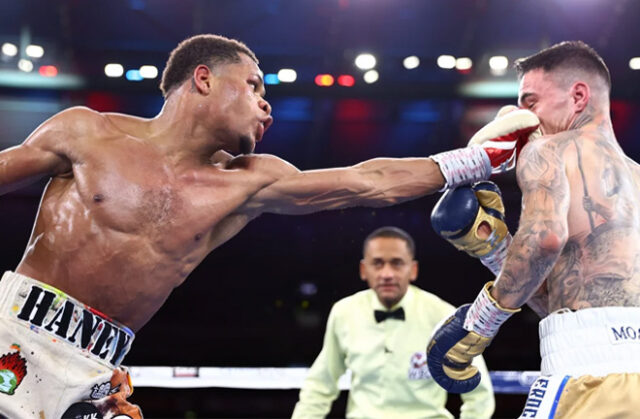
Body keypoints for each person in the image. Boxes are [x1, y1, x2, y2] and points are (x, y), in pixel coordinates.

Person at [0, 34, 536, 418]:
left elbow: (364, 181)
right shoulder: (86, 132)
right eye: (254, 85)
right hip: (13, 336)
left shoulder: (246, 183)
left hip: (98, 368)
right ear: (203, 79)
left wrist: (478, 159)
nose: (267, 103)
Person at [426, 40, 640, 418]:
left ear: (577, 96)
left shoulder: (548, 151)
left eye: (530, 102)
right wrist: (494, 247)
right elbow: (573, 299)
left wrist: (479, 324)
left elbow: (545, 239)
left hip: (586, 373)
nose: (523, 117)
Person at [291, 226, 494, 419]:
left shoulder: (442, 315)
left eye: (397, 263)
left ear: (413, 269)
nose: (387, 274)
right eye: (378, 263)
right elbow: (320, 385)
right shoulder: (344, 313)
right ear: (364, 269)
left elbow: (478, 391)